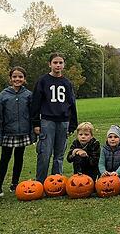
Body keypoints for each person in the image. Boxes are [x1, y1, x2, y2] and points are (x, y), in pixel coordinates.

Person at [31, 52, 79, 182]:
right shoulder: (43, 81)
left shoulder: (66, 83)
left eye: (60, 63)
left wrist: (73, 124)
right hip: (47, 121)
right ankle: (40, 182)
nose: (58, 65)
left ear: (64, 65)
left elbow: (72, 104)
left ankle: (56, 182)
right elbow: (36, 103)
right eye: (55, 62)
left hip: (63, 122)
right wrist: (36, 123)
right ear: (49, 64)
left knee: (59, 155)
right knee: (45, 154)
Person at [0, 66, 35, 196]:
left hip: (23, 131)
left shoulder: (28, 95)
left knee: (19, 158)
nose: (17, 79)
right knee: (4, 158)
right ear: (10, 78)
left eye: (20, 77)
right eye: (15, 77)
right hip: (8, 132)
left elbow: (33, 115)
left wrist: (32, 133)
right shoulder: (3, 95)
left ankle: (14, 183)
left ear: (24, 79)